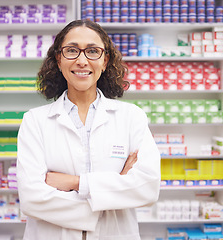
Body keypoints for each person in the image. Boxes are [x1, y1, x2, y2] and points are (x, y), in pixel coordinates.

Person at [17, 19, 161, 240]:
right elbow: (32, 199)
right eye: (72, 50)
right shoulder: (34, 121)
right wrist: (114, 189)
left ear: (105, 61)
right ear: (58, 59)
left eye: (93, 51)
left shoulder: (131, 117)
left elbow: (147, 187)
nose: (82, 60)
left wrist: (76, 183)